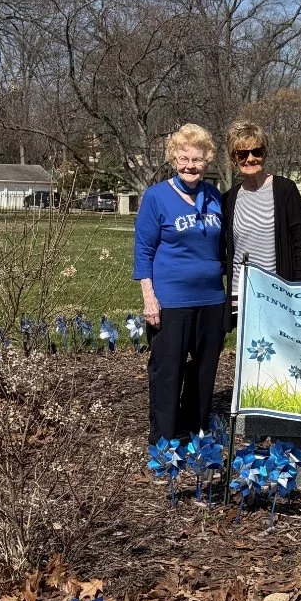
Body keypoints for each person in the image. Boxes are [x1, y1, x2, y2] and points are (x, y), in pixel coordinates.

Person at [133, 123, 226, 441]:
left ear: (206, 161)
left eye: (197, 159)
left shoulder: (214, 196)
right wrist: (149, 297)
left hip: (211, 298)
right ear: (174, 159)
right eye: (184, 158)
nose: (191, 165)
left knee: (203, 372)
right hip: (171, 300)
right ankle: (164, 441)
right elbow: (143, 251)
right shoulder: (157, 197)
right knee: (167, 371)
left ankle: (196, 435)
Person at [221, 121, 301, 316]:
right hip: (241, 290)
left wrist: (300, 289)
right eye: (242, 154)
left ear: (265, 153)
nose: (250, 159)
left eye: (256, 152)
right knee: (247, 346)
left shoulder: (285, 190)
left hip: (278, 292)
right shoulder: (229, 198)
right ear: (233, 159)